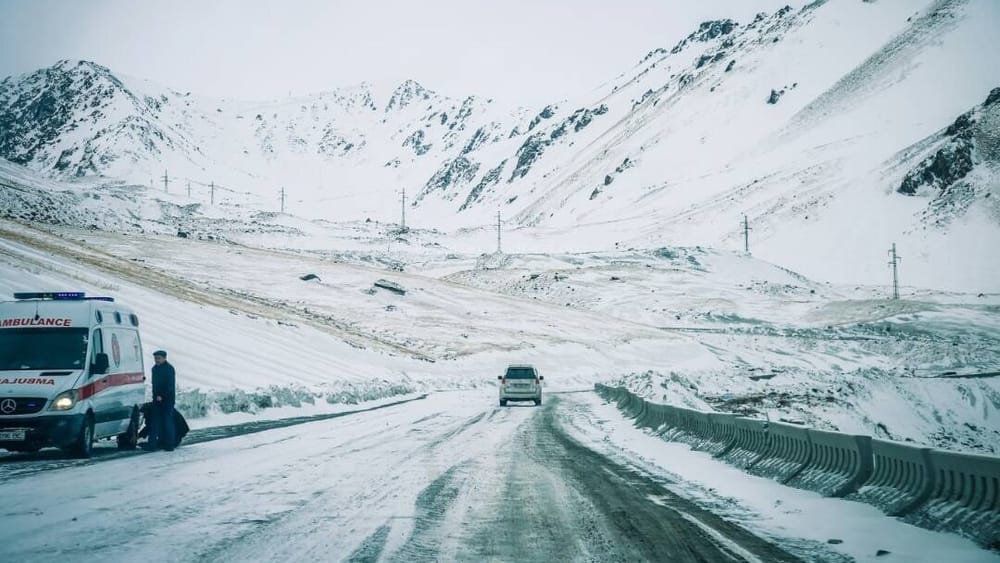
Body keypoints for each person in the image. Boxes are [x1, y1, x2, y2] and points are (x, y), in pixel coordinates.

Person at [147, 349, 176, 451]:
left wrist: (162, 396)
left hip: (167, 400)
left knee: (167, 422)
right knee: (154, 422)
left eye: (159, 358)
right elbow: (154, 384)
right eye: (155, 358)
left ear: (164, 358)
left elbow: (170, 386)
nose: (156, 360)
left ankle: (169, 445)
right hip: (156, 399)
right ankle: (152, 444)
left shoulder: (169, 369)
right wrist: (155, 396)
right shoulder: (154, 369)